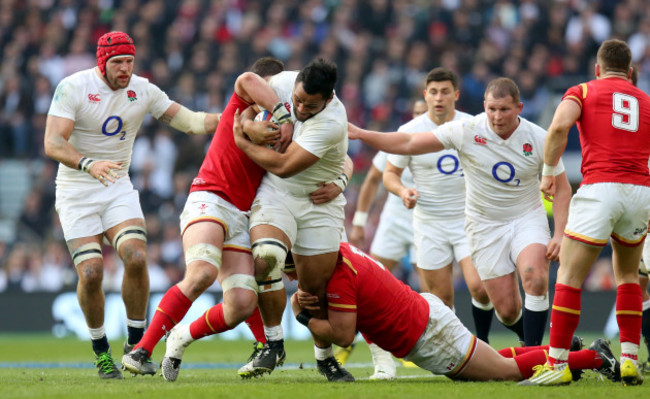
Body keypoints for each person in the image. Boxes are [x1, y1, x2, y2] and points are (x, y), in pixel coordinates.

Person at [120, 58, 348, 380]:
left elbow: (339, 151)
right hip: (210, 197)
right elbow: (247, 80)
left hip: (245, 213)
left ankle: (187, 337)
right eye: (272, 91)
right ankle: (142, 349)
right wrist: (278, 115)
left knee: (242, 301)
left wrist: (340, 180)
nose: (274, 97)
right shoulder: (251, 105)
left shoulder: (302, 120)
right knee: (201, 273)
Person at [43, 31, 220, 379]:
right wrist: (87, 163)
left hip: (116, 186)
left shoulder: (143, 89)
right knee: (91, 273)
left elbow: (190, 121)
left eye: (129, 61)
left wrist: (233, 116)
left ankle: (136, 345)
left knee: (137, 257)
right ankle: (100, 352)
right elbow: (52, 142)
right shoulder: (73, 87)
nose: (125, 69)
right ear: (101, 62)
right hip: (76, 190)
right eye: (117, 62)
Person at [348, 77, 572, 348]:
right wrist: (361, 134)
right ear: (484, 106)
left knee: (534, 277)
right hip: (483, 224)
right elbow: (407, 142)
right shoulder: (467, 130)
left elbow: (561, 188)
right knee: (507, 311)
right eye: (492, 109)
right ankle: (549, 346)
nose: (497, 116)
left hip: (525, 217)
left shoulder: (538, 138)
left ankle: (538, 356)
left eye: (504, 109)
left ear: (520, 108)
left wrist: (559, 234)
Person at [290, 242, 619, 384]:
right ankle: (567, 351)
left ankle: (594, 358)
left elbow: (344, 333)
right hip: (424, 318)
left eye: (292, 270)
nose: (293, 278)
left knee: (503, 371)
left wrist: (304, 318)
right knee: (489, 364)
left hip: (426, 335)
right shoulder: (337, 252)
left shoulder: (339, 275)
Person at [525, 39, 650, 386]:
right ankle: (628, 359)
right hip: (641, 191)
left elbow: (559, 127)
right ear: (629, 71)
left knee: (569, 276)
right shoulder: (646, 101)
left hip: (600, 187)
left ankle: (557, 362)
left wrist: (548, 171)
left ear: (597, 68)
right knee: (628, 277)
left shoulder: (582, 90)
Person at [232, 58, 352, 381]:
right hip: (277, 193)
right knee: (266, 257)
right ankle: (273, 343)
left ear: (328, 99)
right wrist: (249, 122)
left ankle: (324, 358)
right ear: (295, 82)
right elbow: (244, 83)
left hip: (317, 202)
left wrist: (243, 139)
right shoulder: (284, 82)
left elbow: (284, 164)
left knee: (314, 290)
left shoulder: (332, 122)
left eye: (309, 105)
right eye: (297, 100)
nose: (300, 108)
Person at [384, 67, 492, 344]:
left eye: (445, 91)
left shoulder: (475, 125)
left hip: (468, 219)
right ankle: (460, 352)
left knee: (480, 288)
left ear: (455, 95)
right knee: (440, 300)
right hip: (429, 222)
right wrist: (403, 191)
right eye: (433, 92)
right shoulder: (409, 131)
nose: (439, 97)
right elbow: (389, 174)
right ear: (425, 95)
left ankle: (484, 341)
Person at [341, 99, 424, 379]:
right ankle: (354, 342)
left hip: (427, 223)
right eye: (415, 112)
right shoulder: (399, 140)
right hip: (393, 220)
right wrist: (361, 222)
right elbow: (373, 179)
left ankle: (413, 347)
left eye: (423, 113)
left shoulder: (445, 141)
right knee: (369, 285)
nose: (419, 118)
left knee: (429, 289)